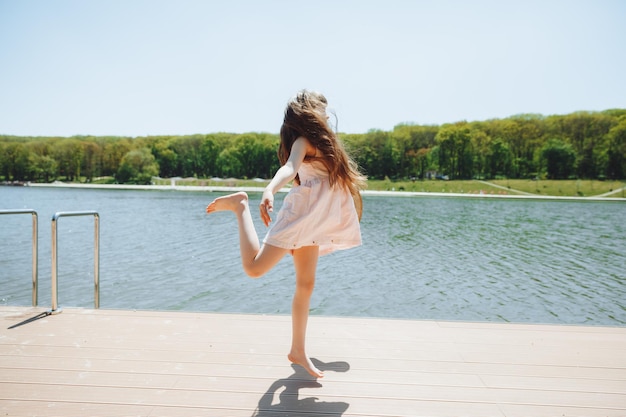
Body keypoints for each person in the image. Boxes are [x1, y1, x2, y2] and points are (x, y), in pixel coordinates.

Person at [206, 90, 365, 378]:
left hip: (313, 223)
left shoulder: (327, 145)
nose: (327, 115)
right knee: (254, 268)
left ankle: (298, 350)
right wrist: (269, 189)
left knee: (306, 285)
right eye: (322, 110)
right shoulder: (304, 142)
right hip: (299, 216)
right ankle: (240, 205)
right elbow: (290, 168)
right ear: (310, 113)